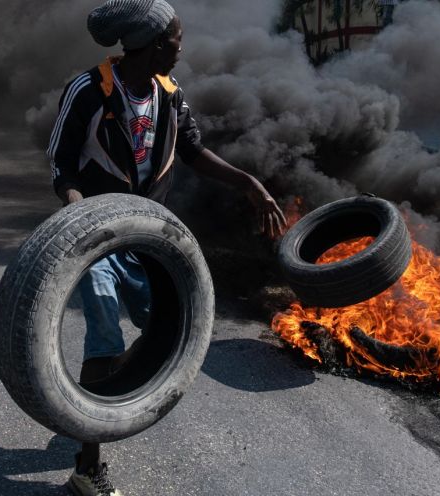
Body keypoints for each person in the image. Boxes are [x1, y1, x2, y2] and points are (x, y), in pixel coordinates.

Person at [46, 1, 287, 494]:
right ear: (154, 43)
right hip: (99, 240)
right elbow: (61, 164)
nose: (181, 47)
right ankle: (86, 468)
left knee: (165, 330)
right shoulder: (89, 91)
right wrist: (77, 212)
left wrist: (250, 184)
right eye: (176, 38)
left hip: (152, 236)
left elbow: (193, 151)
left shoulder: (171, 96)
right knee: (105, 332)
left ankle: (98, 394)